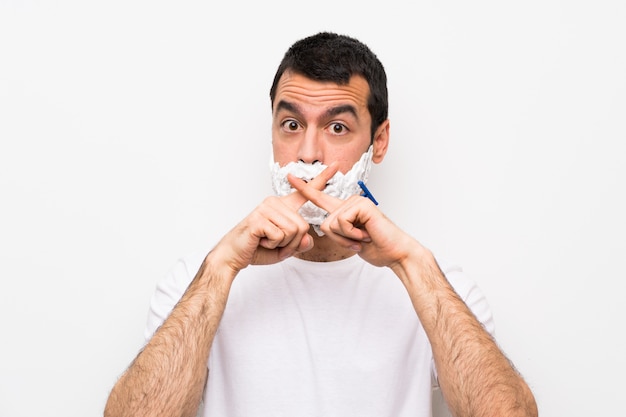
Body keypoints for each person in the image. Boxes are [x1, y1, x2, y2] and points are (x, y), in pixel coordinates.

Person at [104, 32, 537, 417]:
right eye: (291, 124)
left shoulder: (439, 288)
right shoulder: (195, 282)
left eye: (336, 126)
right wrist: (220, 269)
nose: (308, 154)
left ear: (378, 142)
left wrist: (410, 262)